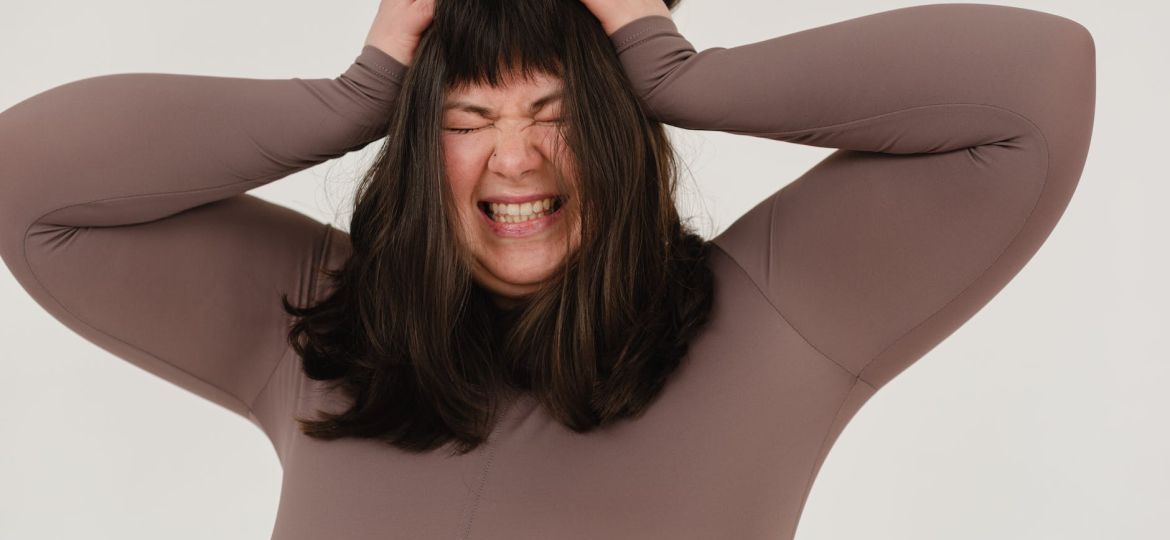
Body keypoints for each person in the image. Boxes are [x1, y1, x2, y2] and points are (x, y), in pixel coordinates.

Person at [0, 0, 1094, 538]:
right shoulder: (323, 335)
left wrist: (674, 68)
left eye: (560, 115)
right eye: (469, 118)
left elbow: (1035, 91)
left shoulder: (771, 320)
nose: (516, 157)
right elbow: (30, 183)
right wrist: (357, 95)